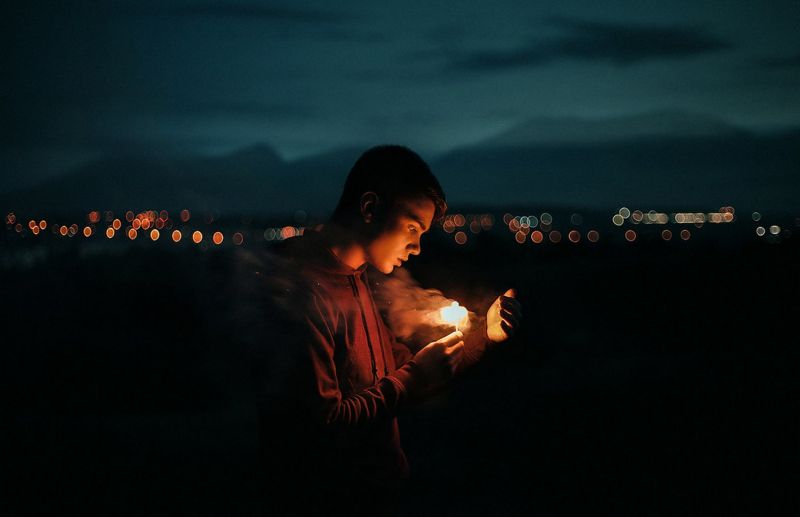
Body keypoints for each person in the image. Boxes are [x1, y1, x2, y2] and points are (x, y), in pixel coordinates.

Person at [241, 145, 522, 515]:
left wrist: (483, 337)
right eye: (411, 227)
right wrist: (413, 379)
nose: (418, 246)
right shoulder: (302, 292)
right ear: (370, 208)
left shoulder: (360, 280)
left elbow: (394, 374)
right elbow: (325, 425)